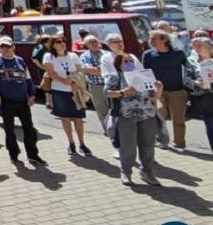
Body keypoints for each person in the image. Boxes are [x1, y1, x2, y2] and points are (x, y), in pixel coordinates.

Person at [0, 37, 45, 165]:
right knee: (9, 130)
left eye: (8, 46)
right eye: (2, 46)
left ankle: (33, 155)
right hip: (6, 100)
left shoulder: (20, 60)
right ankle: (13, 154)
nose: (5, 49)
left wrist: (31, 94)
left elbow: (28, 78)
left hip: (22, 99)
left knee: (29, 129)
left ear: (13, 47)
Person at [106, 54, 162, 186]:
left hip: (147, 114)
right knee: (128, 146)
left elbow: (153, 96)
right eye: (126, 61)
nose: (129, 63)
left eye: (131, 61)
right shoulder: (115, 77)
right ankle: (126, 171)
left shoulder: (142, 75)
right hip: (126, 116)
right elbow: (107, 93)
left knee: (148, 145)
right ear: (119, 64)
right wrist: (122, 92)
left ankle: (147, 172)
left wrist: (159, 89)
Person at [43, 35, 90, 156]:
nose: (62, 43)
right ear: (53, 44)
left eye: (63, 41)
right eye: (58, 42)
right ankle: (71, 143)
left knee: (78, 118)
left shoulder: (73, 56)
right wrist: (64, 81)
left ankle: (82, 143)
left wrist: (75, 81)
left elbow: (80, 71)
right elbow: (51, 73)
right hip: (59, 90)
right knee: (65, 118)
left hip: (75, 90)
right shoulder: (49, 56)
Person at [142, 29, 190, 150]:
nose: (151, 41)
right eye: (150, 38)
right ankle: (162, 140)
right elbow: (145, 73)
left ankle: (179, 143)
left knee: (178, 119)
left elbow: (189, 69)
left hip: (177, 91)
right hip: (158, 92)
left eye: (154, 39)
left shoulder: (178, 54)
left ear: (164, 40)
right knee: (159, 116)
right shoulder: (148, 55)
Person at [185, 37, 213, 151]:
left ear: (209, 47)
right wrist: (195, 83)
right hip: (205, 98)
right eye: (194, 46)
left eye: (199, 45)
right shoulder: (191, 61)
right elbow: (184, 78)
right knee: (211, 123)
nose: (196, 48)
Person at [80, 35, 109, 133]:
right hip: (96, 86)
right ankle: (108, 131)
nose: (94, 44)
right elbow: (89, 70)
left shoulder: (107, 54)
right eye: (91, 42)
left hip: (111, 85)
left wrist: (98, 69)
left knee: (115, 108)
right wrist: (105, 69)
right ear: (87, 45)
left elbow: (116, 69)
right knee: (102, 109)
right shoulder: (85, 56)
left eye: (95, 41)